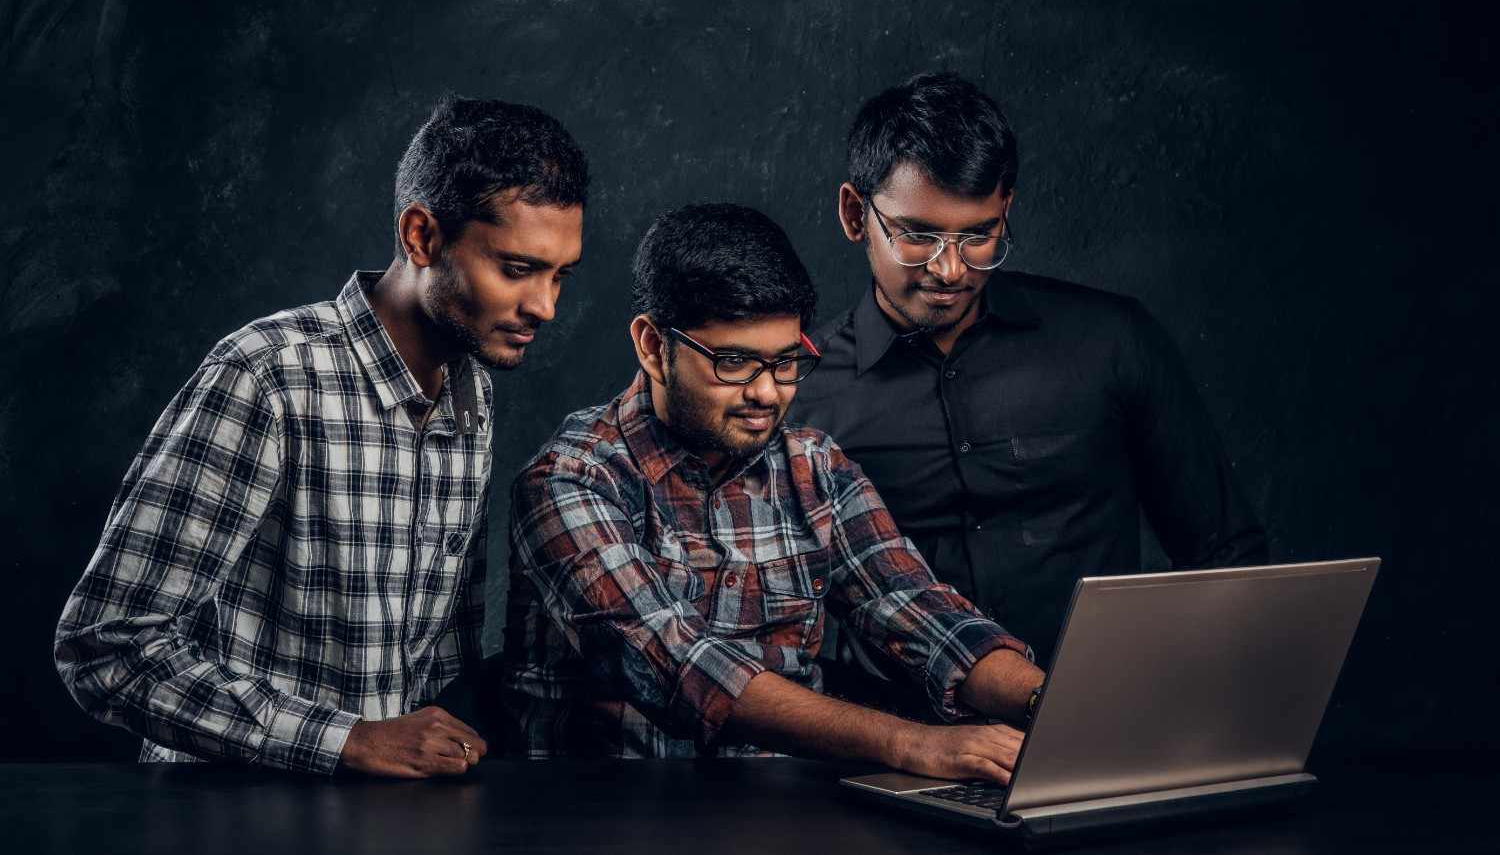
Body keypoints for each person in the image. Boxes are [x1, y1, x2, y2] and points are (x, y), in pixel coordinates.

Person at [55, 96, 588, 776]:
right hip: (227, 818)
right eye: (516, 269)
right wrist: (349, 739)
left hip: (387, 823)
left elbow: (435, 654)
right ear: (421, 237)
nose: (545, 306)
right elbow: (105, 647)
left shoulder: (469, 391)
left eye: (559, 275)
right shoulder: (268, 378)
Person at [501, 203, 1045, 781]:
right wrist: (911, 744)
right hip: (605, 818)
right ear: (654, 347)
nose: (767, 393)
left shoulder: (815, 468)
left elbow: (920, 611)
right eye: (734, 362)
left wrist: (1052, 706)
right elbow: (678, 663)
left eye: (785, 363)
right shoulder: (570, 479)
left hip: (790, 813)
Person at [789, 73, 1267, 679]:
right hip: (901, 751)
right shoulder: (798, 395)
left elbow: (1224, 555)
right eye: (917, 235)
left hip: (1102, 725)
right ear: (856, 215)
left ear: (1006, 208)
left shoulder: (1110, 340)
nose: (950, 269)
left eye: (979, 235)